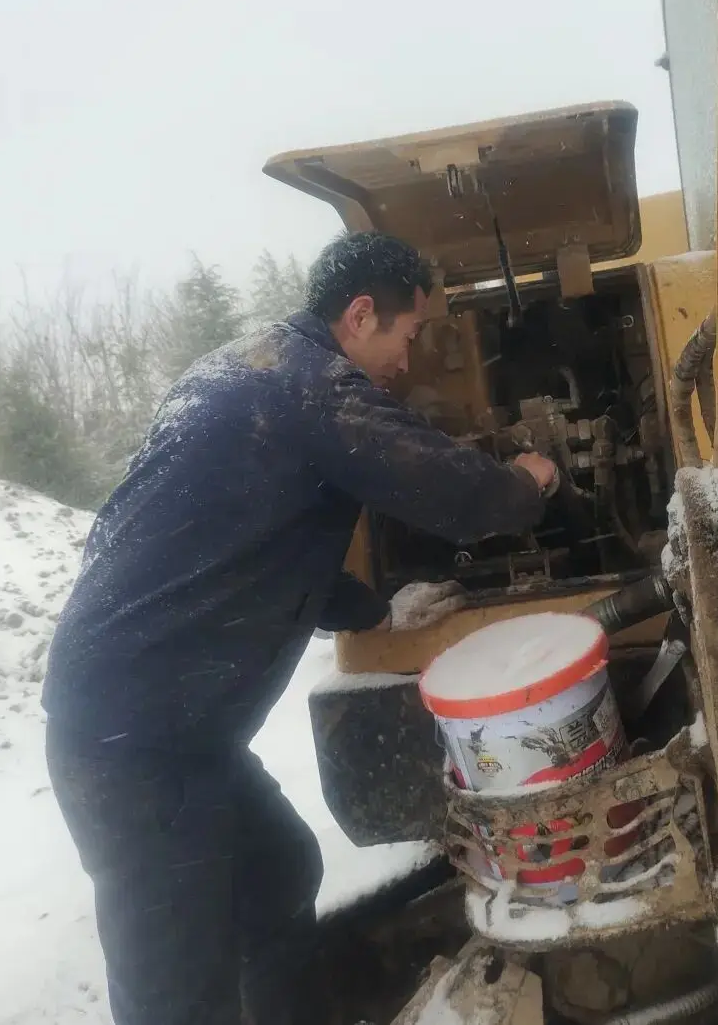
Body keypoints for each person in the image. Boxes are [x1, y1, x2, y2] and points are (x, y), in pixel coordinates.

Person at [41, 230, 557, 1025]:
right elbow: (453, 492)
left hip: (163, 725)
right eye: (409, 336)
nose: (408, 364)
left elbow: (258, 554)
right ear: (360, 315)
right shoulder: (308, 387)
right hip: (136, 742)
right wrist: (526, 480)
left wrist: (378, 612)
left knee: (280, 871)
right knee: (177, 985)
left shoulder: (243, 372)